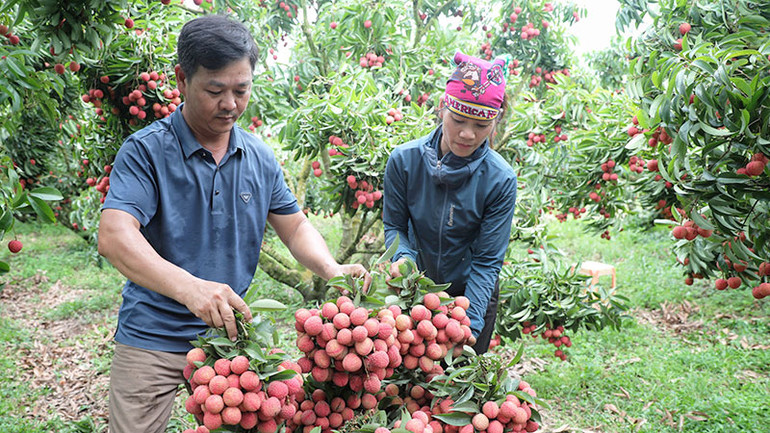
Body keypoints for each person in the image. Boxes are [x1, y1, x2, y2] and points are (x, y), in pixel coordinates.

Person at [97, 15, 370, 433]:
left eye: (241, 91)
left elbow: (295, 228)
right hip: (152, 335)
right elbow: (115, 236)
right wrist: (191, 289)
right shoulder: (146, 151)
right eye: (215, 91)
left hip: (231, 341)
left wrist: (331, 268)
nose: (230, 105)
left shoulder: (258, 158)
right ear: (182, 79)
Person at [383, 51, 517, 355]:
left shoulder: (500, 180)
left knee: (456, 392)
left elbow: (486, 261)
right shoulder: (404, 162)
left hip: (472, 294)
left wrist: (468, 325)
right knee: (408, 386)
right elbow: (395, 224)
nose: (468, 134)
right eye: (458, 120)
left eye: (482, 126)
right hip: (415, 291)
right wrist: (404, 262)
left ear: (495, 124)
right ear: (443, 108)